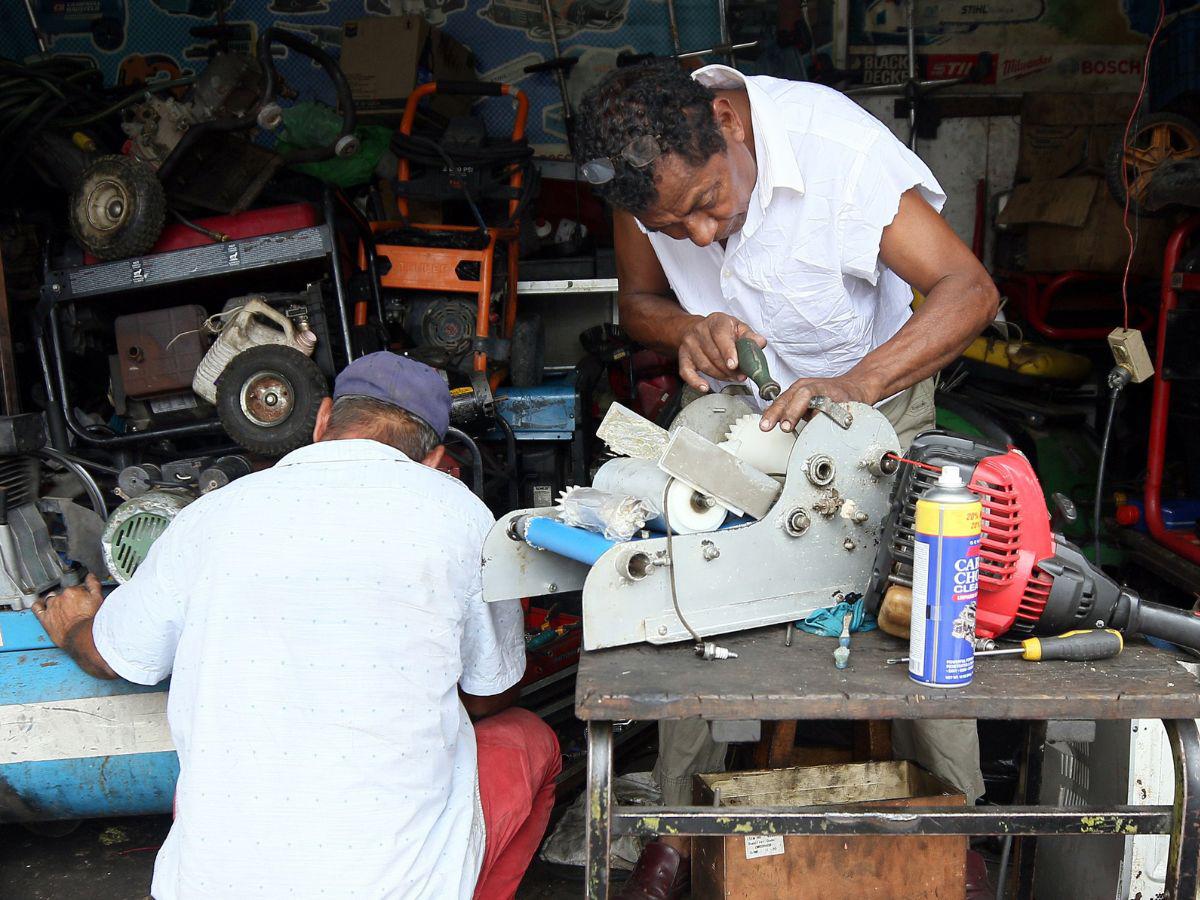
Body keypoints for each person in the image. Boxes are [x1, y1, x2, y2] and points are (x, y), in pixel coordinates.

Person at [575, 61, 999, 898]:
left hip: (875, 387)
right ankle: (672, 828)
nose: (699, 237)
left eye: (705, 204)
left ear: (729, 121)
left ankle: (959, 826)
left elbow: (969, 290)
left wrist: (856, 387)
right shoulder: (643, 180)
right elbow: (639, 303)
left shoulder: (835, 153)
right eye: (674, 224)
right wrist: (690, 326)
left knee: (916, 583)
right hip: (746, 406)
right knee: (681, 558)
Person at [33, 352, 560, 900]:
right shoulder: (461, 514)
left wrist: (76, 627)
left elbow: (114, 656)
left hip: (208, 888)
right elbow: (488, 694)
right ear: (434, 458)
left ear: (322, 418)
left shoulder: (212, 515)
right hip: (390, 888)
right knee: (532, 739)